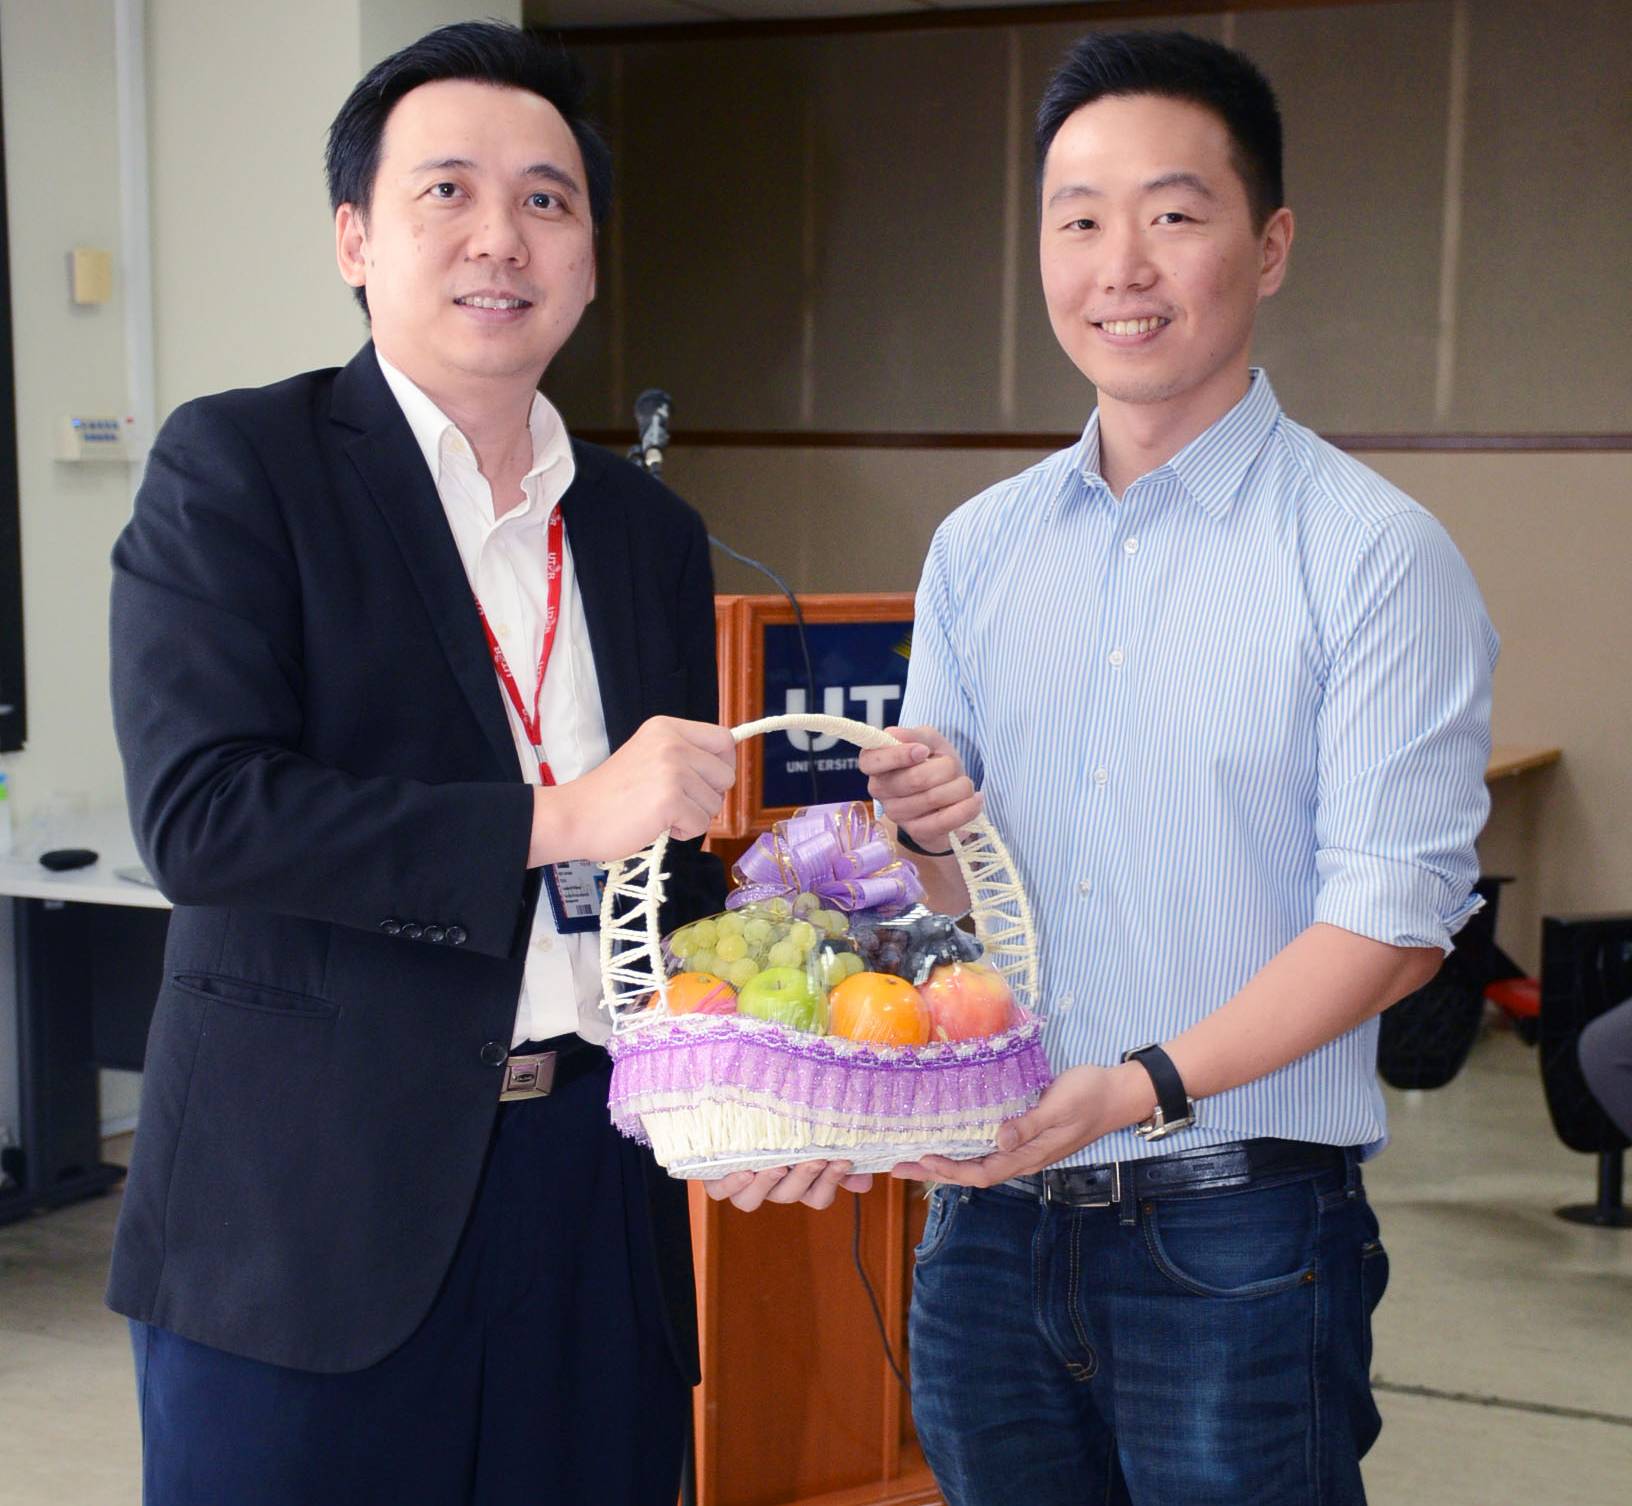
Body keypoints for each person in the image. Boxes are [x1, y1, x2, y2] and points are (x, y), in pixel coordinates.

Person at [106, 21, 849, 1505]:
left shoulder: (646, 538)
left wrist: (765, 1075)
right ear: (353, 239)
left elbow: (663, 872)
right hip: (309, 1219)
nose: (499, 236)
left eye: (548, 201)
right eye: (445, 191)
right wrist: (560, 816)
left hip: (592, 1199)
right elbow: (205, 815)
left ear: (585, 260)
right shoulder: (241, 466)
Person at [859, 30, 1497, 1506]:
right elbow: (953, 896)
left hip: (1240, 1237)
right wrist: (928, 837)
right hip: (989, 1225)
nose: (1119, 265)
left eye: (1173, 213)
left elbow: (1393, 930)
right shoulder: (979, 548)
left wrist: (1137, 1086)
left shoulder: (1372, 555)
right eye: (1077, 219)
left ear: (1268, 246)